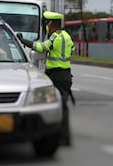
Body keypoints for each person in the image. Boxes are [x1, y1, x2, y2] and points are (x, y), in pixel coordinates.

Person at [17, 11, 75, 146]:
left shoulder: (56, 36)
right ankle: (64, 136)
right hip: (66, 74)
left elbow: (42, 47)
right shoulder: (67, 36)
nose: (47, 26)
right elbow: (72, 50)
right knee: (63, 106)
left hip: (57, 75)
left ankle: (60, 136)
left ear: (52, 23)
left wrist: (23, 41)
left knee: (55, 105)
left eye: (47, 23)